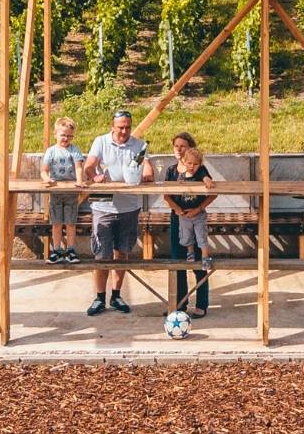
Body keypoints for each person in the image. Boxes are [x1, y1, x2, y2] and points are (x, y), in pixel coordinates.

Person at [80, 108, 152, 316]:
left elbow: (146, 165)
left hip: (129, 206)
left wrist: (147, 173)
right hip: (103, 206)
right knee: (102, 254)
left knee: (122, 252)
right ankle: (100, 297)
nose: (124, 131)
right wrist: (94, 175)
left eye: (128, 127)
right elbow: (90, 164)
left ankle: (117, 295)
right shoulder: (101, 141)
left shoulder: (139, 145)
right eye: (121, 127)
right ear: (113, 126)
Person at [167, 132, 215, 317]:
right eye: (176, 146)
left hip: (196, 217)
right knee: (178, 263)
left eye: (183, 146)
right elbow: (166, 195)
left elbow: (211, 189)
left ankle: (202, 304)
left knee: (199, 264)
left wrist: (198, 208)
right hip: (178, 219)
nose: (179, 149)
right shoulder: (171, 171)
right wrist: (177, 209)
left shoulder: (200, 170)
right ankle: (180, 303)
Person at [38, 116, 85, 263]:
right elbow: (44, 170)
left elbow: (78, 167)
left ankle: (71, 249)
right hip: (56, 192)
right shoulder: (51, 151)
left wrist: (79, 181)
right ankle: (56, 249)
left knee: (71, 222)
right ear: (56, 134)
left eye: (69, 136)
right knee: (56, 222)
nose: (66, 138)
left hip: (71, 192)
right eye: (63, 135)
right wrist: (47, 179)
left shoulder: (74, 150)